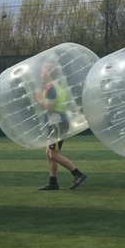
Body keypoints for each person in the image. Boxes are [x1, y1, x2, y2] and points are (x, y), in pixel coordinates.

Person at [34, 63, 88, 191]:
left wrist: (37, 100)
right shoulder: (53, 86)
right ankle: (53, 182)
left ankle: (78, 174)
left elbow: (48, 106)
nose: (41, 74)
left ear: (48, 74)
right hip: (55, 123)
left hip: (57, 123)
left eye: (43, 72)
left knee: (52, 154)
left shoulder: (51, 88)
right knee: (49, 153)